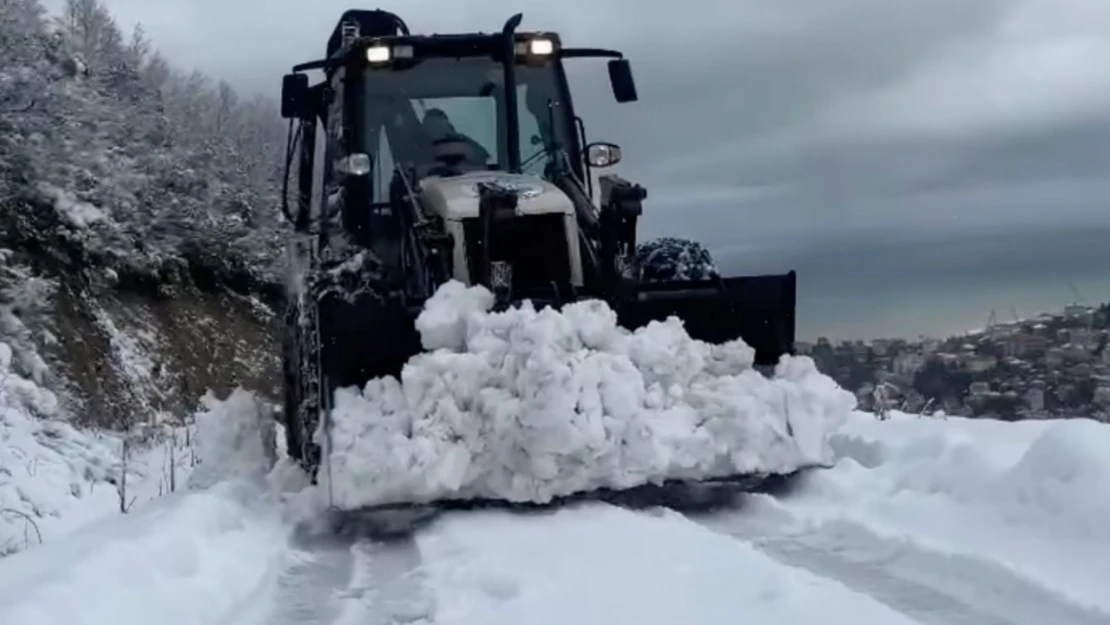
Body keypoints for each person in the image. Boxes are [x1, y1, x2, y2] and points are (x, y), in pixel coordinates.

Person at [421, 108, 491, 167]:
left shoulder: (462, 141)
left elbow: (484, 158)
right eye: (432, 126)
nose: (435, 129)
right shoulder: (419, 147)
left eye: (438, 126)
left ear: (448, 125)